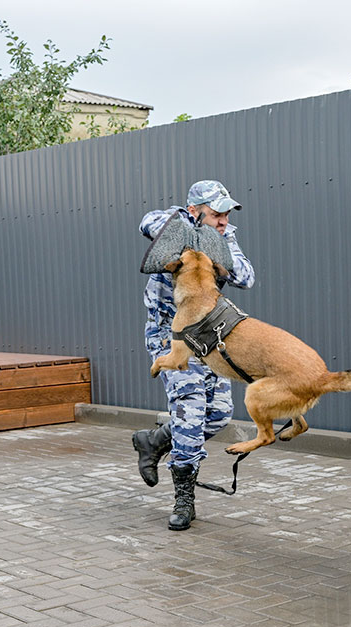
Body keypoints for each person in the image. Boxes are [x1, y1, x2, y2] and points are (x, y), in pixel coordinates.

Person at [132, 180, 255, 531]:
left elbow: (246, 277)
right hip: (171, 337)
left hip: (209, 337)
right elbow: (148, 223)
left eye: (226, 214)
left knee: (218, 414)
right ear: (194, 210)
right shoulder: (172, 221)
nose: (223, 220)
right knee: (191, 410)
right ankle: (184, 498)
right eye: (216, 214)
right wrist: (191, 235)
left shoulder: (226, 237)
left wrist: (218, 245)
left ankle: (154, 440)